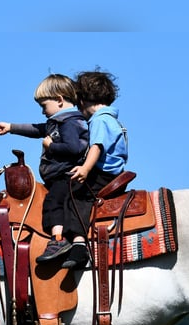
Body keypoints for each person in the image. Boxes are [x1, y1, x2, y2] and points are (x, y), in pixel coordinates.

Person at [0, 74, 89, 263]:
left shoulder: (69, 123)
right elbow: (37, 129)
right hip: (57, 176)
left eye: (44, 106)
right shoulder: (58, 122)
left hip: (66, 176)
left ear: (60, 100)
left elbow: (74, 148)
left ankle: (58, 239)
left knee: (53, 202)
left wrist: (50, 147)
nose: (43, 111)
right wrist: (11, 127)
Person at [63, 69, 128, 269]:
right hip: (115, 173)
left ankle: (79, 244)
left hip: (103, 173)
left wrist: (84, 169)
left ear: (81, 101)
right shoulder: (112, 118)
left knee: (76, 196)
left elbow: (97, 147)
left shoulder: (99, 120)